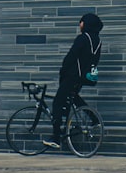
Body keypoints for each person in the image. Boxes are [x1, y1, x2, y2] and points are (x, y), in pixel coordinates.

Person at [43, 12, 103, 149]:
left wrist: (63, 71)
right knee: (73, 96)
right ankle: (93, 118)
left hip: (72, 76)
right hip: (84, 77)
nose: (80, 24)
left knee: (58, 102)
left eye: (81, 22)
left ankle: (56, 137)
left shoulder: (82, 38)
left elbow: (72, 56)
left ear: (86, 23)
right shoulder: (97, 41)